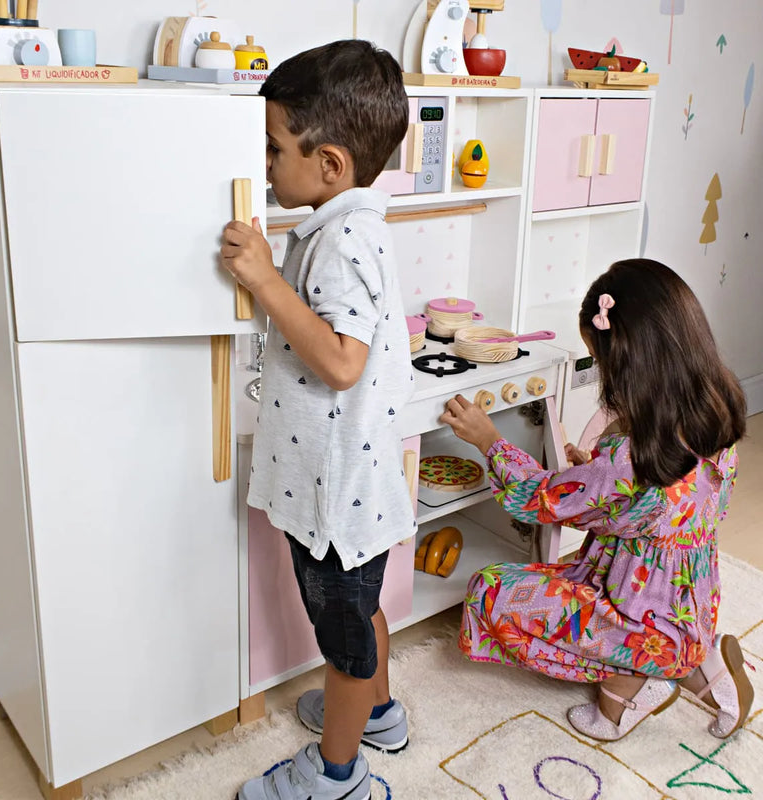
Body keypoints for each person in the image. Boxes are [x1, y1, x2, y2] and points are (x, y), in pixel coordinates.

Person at [440, 258, 754, 742]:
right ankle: (698, 668)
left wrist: (489, 441)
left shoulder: (627, 459)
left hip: (631, 608)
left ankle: (625, 691)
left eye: (600, 360)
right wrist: (592, 468)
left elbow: (541, 499)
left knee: (489, 590)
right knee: (563, 588)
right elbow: (659, 507)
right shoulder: (716, 407)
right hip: (689, 601)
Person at [221, 40, 416, 800]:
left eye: (274, 148)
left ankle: (338, 774)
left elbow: (341, 361)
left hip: (337, 493)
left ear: (329, 165)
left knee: (341, 639)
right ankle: (379, 715)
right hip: (351, 485)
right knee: (360, 614)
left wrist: (266, 280)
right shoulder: (349, 227)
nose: (267, 164)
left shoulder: (339, 240)